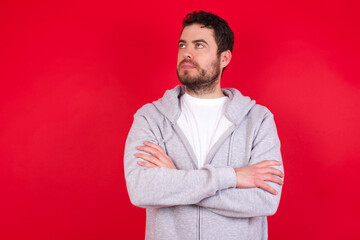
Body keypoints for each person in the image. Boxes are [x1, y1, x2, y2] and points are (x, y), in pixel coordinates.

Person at [124, 10, 284, 240]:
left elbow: (265, 200)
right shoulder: (150, 117)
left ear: (224, 58)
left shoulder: (258, 120)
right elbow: (141, 190)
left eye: (199, 45)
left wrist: (178, 178)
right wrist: (232, 178)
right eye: (182, 45)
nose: (186, 53)